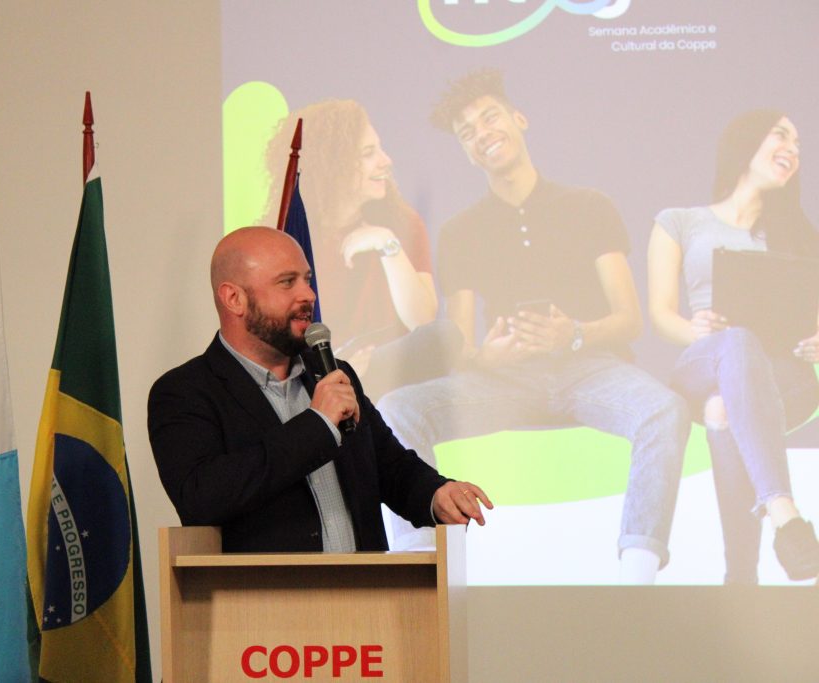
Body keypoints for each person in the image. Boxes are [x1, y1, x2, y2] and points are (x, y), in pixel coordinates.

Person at [376, 69, 690, 583]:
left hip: (591, 369)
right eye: (467, 132)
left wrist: (574, 334)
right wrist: (487, 357)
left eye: (490, 118)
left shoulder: (588, 205)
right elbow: (461, 344)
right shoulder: (460, 230)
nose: (482, 134)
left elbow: (629, 319)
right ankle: (421, 564)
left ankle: (638, 574)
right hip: (505, 380)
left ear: (518, 119)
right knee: (396, 407)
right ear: (466, 151)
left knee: (665, 409)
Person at [147, 226, 492, 553]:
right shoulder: (184, 392)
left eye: (307, 280)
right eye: (287, 282)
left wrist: (436, 494)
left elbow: (391, 467)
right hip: (262, 596)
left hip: (368, 591)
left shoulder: (332, 374)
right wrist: (317, 425)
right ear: (234, 298)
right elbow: (202, 499)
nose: (308, 295)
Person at [648, 110, 819, 583]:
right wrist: (695, 329)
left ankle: (740, 579)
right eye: (781, 135)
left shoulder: (799, 237)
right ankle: (784, 512)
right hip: (704, 358)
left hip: (781, 375)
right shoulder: (679, 222)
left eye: (798, 144)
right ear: (746, 142)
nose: (793, 150)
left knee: (723, 408)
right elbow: (661, 315)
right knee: (737, 342)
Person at [262, 100, 461, 400]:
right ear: (334, 163)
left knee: (444, 336)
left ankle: (353, 375)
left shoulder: (401, 221)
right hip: (313, 375)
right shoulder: (289, 235)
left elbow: (422, 319)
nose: (386, 161)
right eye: (369, 153)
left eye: (380, 149)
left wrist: (387, 245)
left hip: (385, 371)